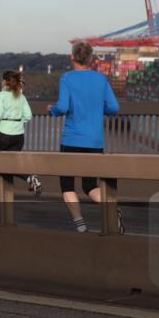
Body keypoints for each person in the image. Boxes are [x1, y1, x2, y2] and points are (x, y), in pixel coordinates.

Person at [49, 41, 121, 233]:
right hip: (95, 141)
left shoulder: (67, 78)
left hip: (72, 140)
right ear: (90, 59)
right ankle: (112, 209)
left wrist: (52, 110)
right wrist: (98, 109)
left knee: (67, 185)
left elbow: (63, 107)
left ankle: (80, 225)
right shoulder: (100, 79)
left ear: (72, 57)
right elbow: (114, 108)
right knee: (90, 185)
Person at [0, 70, 40, 198]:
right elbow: (28, 116)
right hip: (19, 136)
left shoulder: (0, 96)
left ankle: (2, 196)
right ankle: (28, 178)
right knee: (11, 165)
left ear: (4, 82)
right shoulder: (21, 97)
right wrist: (18, 123)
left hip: (3, 135)